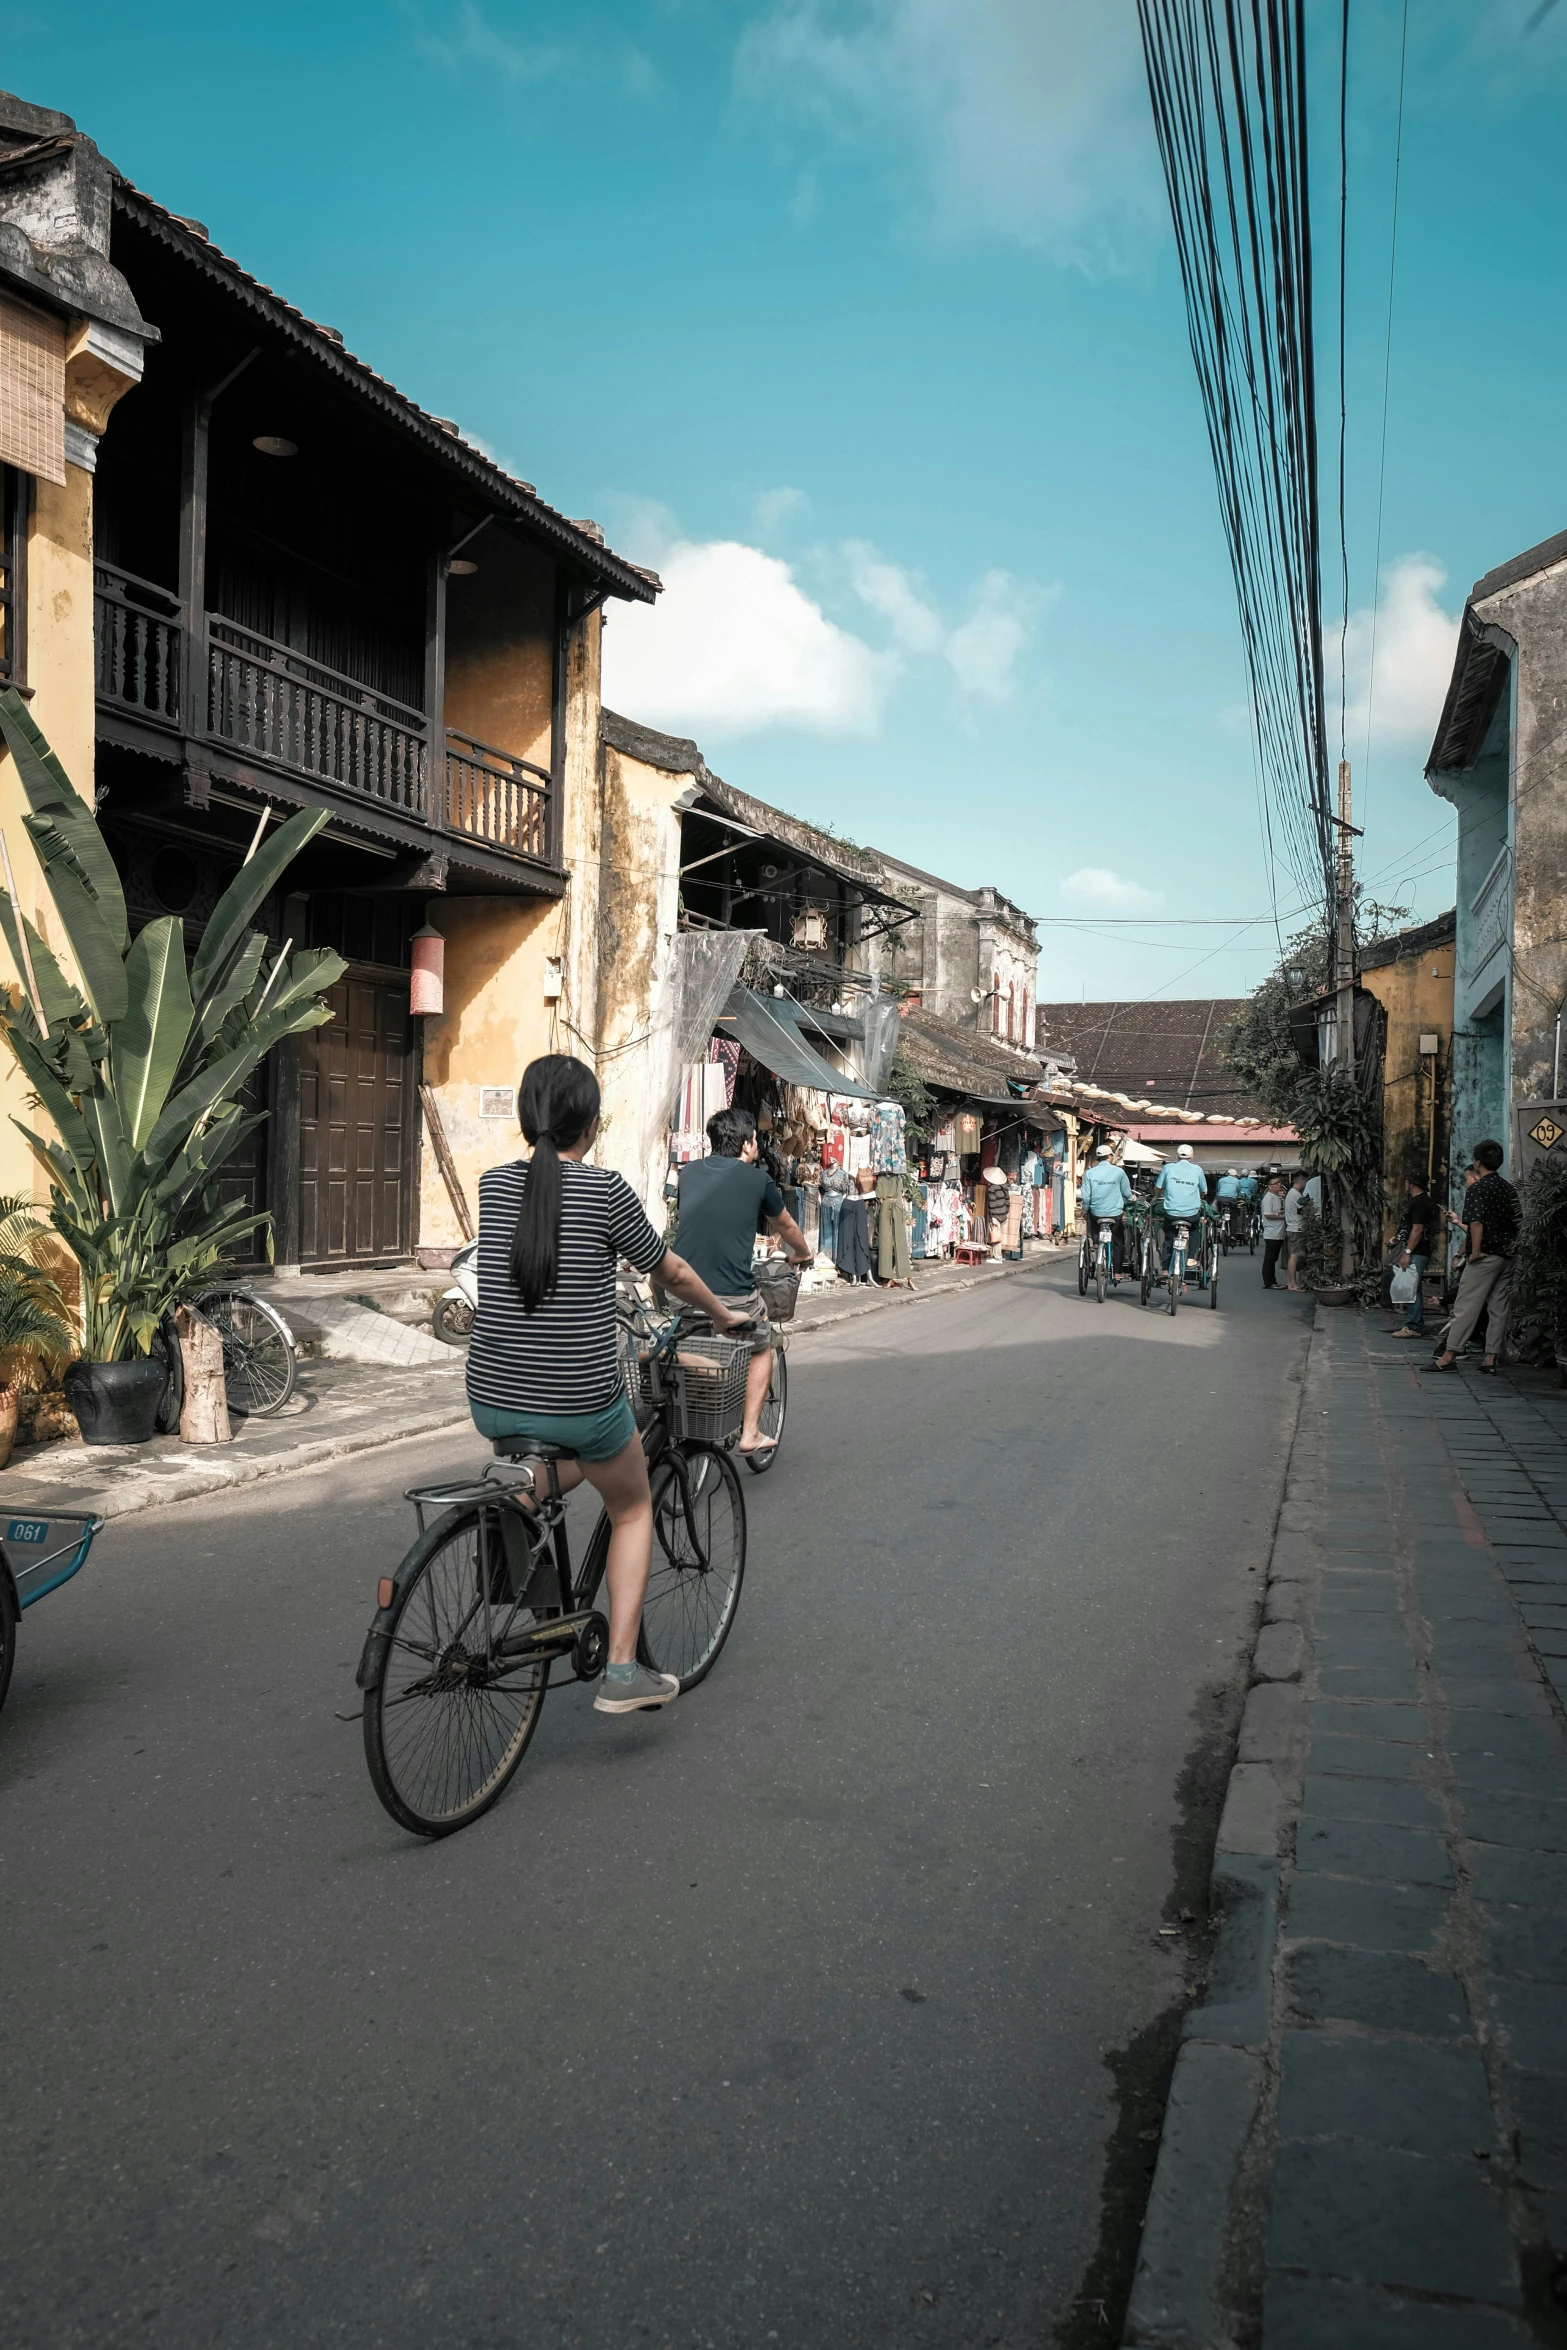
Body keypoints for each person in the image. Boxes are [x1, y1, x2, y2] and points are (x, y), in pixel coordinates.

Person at [466, 1053, 751, 1717]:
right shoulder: (606, 1191)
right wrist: (720, 1312)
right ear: (590, 1125)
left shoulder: (492, 1185)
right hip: (578, 1401)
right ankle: (621, 1671)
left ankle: (517, 1498)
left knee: (570, 1460)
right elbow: (670, 1270)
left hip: (488, 1396)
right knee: (629, 1506)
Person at [672, 1105, 813, 1452]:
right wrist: (803, 1254)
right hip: (731, 1294)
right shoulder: (757, 1180)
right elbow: (786, 1226)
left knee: (687, 1342)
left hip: (681, 1290)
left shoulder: (688, 1173)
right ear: (749, 1144)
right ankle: (750, 1432)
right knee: (761, 1345)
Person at [1429, 1141, 1520, 1376]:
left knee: (1466, 1305)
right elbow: (1517, 1222)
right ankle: (1490, 1359)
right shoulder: (1508, 1189)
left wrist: (1475, 1251)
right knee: (1499, 1308)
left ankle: (1449, 1355)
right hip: (1508, 1255)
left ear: (1477, 1162)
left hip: (1486, 1255)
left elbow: (1476, 1222)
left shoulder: (1477, 1189)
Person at [1153, 1143, 1210, 1272]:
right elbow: (1204, 1191)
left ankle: (1165, 1270)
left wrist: (1157, 1196)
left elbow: (1158, 1188)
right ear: (1192, 1157)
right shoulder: (1197, 1170)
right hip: (1191, 1213)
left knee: (1169, 1237)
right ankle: (1190, 1258)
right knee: (1195, 1229)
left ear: (1177, 1156)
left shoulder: (1168, 1168)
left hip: (1171, 1213)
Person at [1388, 1173, 1432, 1340]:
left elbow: (1417, 1229)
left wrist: (1407, 1252)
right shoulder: (1421, 1201)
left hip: (1417, 1251)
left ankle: (1413, 1325)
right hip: (1417, 1250)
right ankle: (1415, 1323)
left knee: (1410, 1287)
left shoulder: (1420, 1202)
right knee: (1413, 1287)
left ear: (1411, 1183)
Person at [1080, 1142, 1133, 1277]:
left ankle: (1097, 1242)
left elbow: (1086, 1198)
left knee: (1092, 1217)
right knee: (1118, 1241)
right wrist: (1132, 1198)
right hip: (1115, 1214)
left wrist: (1085, 1210)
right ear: (1110, 1156)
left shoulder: (1089, 1173)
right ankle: (1117, 1272)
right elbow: (1127, 1193)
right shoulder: (1119, 1172)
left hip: (1096, 1213)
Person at [1260, 1173, 1288, 1289]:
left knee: (1273, 1258)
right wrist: (1283, 1217)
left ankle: (1272, 1281)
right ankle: (1269, 1282)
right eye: (1276, 1183)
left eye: (1279, 1182)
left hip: (1278, 1232)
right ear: (1269, 1186)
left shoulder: (1277, 1197)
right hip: (1272, 1232)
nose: (1279, 1185)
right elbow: (1268, 1214)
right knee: (1270, 1258)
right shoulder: (1268, 1198)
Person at [1283, 1170, 1309, 1291]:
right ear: (1302, 1181)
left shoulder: (1290, 1194)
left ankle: (1290, 1283)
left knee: (1292, 1256)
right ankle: (1293, 1284)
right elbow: (1303, 1210)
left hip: (1291, 1227)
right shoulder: (1296, 1195)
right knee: (1294, 1256)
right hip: (1297, 1228)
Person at [1215, 1166, 1242, 1245]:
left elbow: (1219, 1189)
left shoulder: (1221, 1180)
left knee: (1218, 1209)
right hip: (1231, 1200)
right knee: (1233, 1217)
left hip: (1221, 1199)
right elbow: (1238, 1190)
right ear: (1235, 1175)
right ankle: (1233, 1235)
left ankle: (1219, 1218)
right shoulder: (1237, 1181)